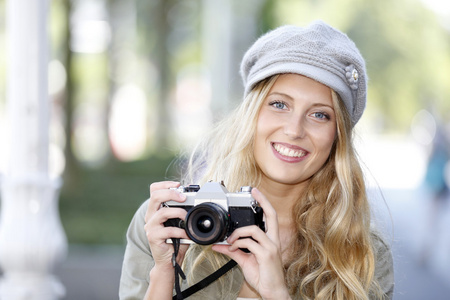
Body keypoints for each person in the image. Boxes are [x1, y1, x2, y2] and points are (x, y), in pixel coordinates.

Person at [119, 20, 394, 300]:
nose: (294, 130)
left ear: (337, 137)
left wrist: (276, 292)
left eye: (319, 114)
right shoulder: (166, 223)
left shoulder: (361, 254)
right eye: (279, 104)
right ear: (251, 114)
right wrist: (165, 272)